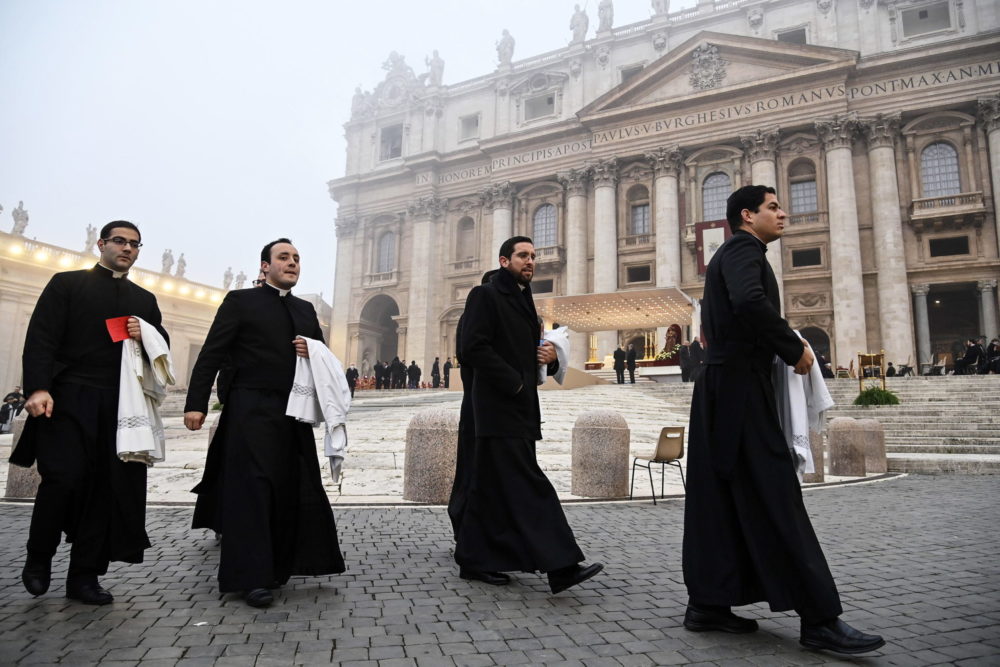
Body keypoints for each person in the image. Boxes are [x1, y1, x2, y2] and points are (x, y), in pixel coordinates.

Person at [682, 185, 884, 655]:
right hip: (738, 390)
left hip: (722, 389)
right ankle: (820, 619)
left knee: (719, 499)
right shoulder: (743, 250)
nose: (783, 213)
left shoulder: (735, 252)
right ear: (747, 215)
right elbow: (750, 303)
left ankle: (708, 603)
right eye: (773, 207)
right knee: (777, 495)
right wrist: (794, 348)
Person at [12, 220, 168, 605]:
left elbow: (161, 344)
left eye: (134, 244)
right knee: (62, 480)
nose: (127, 248)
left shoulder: (144, 300)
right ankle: (39, 556)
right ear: (101, 244)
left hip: (119, 405)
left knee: (104, 489)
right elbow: (41, 337)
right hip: (68, 398)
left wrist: (146, 333)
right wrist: (38, 387)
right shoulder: (67, 284)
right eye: (120, 241)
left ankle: (84, 576)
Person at [184, 238, 344, 608]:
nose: (292, 263)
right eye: (283, 257)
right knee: (252, 490)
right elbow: (212, 353)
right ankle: (250, 577)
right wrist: (196, 404)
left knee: (288, 487)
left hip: (293, 412)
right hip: (250, 408)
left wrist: (313, 350)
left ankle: (276, 567)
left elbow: (324, 357)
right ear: (265, 266)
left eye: (297, 258)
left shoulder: (305, 310)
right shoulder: (240, 302)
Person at [455, 236, 603, 594]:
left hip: (519, 408)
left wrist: (549, 359)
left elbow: (526, 354)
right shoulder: (485, 295)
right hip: (499, 407)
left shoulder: (525, 303)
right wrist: (514, 383)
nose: (531, 260)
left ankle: (474, 559)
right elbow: (471, 347)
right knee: (530, 486)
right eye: (523, 255)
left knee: (490, 488)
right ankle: (562, 565)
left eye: (533, 255)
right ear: (504, 261)